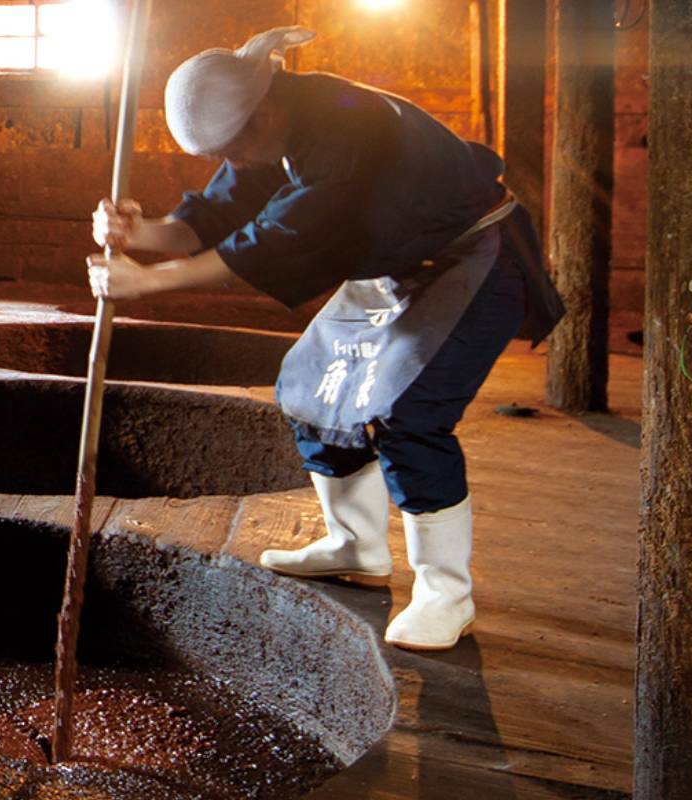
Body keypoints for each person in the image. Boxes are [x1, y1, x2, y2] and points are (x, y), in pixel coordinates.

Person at [87, 27, 564, 651]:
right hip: (393, 267)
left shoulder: (344, 124)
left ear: (262, 112)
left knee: (409, 414)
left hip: (470, 255)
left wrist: (144, 284)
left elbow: (266, 242)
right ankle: (357, 545)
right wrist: (140, 232)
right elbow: (208, 219)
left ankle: (446, 592)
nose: (239, 159)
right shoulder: (274, 126)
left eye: (237, 144)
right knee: (309, 386)